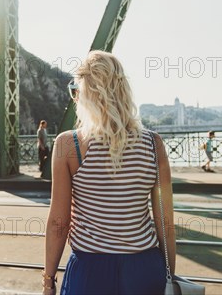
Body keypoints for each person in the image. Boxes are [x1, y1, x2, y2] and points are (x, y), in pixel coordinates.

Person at [42, 51, 176, 294]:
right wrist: (170, 279)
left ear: (85, 94)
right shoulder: (154, 144)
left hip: (91, 270)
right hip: (145, 268)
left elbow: (59, 223)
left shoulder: (69, 145)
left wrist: (48, 280)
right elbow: (165, 223)